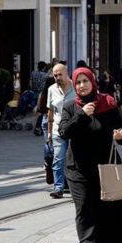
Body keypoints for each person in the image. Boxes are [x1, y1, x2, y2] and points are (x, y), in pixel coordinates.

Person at [59, 67, 122, 243]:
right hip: (78, 169)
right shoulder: (70, 106)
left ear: (93, 82)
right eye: (78, 82)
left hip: (105, 167)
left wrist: (121, 134)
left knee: (106, 208)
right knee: (83, 209)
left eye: (85, 81)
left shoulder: (107, 103)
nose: (82, 85)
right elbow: (64, 132)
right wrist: (82, 114)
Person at [46, 63, 75, 199]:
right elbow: (50, 111)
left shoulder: (76, 86)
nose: (57, 77)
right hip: (58, 129)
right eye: (55, 75)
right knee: (58, 159)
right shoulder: (51, 89)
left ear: (66, 72)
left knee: (75, 159)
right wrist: (49, 132)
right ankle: (58, 187)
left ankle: (74, 185)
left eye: (59, 74)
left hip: (75, 129)